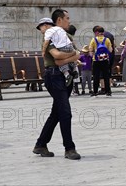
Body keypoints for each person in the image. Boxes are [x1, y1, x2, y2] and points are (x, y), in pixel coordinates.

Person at [33, 11, 81, 160]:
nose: (69, 21)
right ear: (59, 20)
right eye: (67, 18)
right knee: (65, 112)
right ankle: (69, 148)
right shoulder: (49, 37)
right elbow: (57, 56)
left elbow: (74, 53)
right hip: (54, 76)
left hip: (64, 75)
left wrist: (72, 56)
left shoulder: (66, 36)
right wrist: (74, 55)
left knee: (57, 113)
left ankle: (41, 144)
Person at [42, 16, 78, 87]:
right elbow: (76, 51)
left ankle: (67, 74)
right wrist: (73, 54)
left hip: (55, 69)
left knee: (60, 61)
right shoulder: (64, 32)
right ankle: (74, 70)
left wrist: (43, 51)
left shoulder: (49, 34)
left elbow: (57, 55)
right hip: (69, 47)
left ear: (46, 26)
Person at [89, 26, 113, 97]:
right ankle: (108, 91)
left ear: (97, 32)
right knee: (106, 76)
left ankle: (95, 91)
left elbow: (90, 51)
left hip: (96, 60)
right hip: (105, 60)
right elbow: (110, 50)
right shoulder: (107, 39)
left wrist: (92, 55)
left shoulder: (93, 40)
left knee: (96, 76)